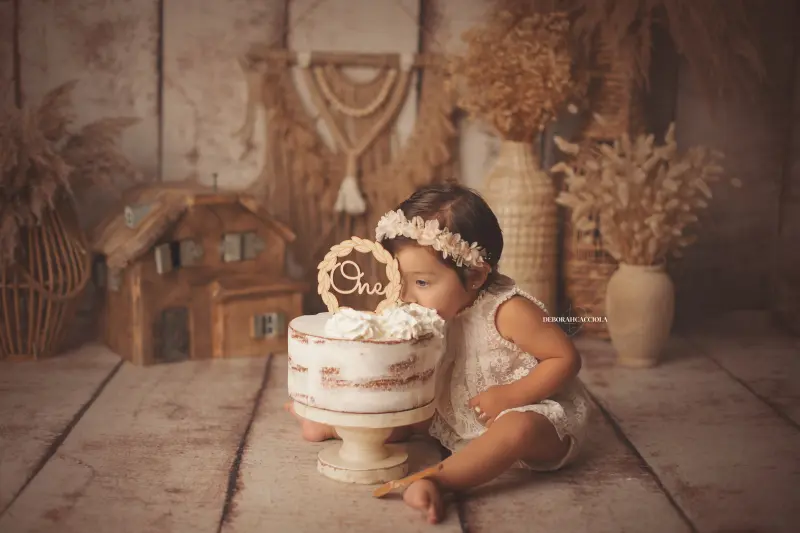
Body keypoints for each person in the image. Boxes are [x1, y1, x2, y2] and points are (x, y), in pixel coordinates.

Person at [287, 183, 592, 524]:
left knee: (516, 428)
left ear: (475, 275)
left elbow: (565, 358)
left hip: (535, 415)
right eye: (398, 279)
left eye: (421, 283)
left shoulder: (509, 311)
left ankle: (435, 480)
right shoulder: (427, 310)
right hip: (458, 411)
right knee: (401, 411)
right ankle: (334, 425)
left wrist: (512, 395)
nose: (405, 295)